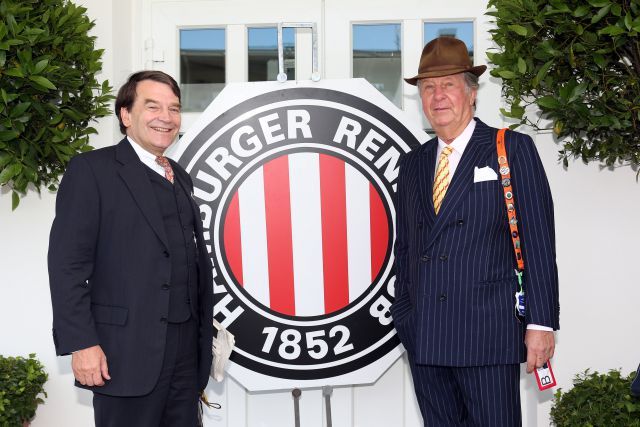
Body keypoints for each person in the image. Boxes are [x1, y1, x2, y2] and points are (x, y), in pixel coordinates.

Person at [391, 37, 559, 426]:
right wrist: (406, 315)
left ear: (471, 92)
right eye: (428, 88)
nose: (437, 96)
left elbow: (538, 243)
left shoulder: (511, 149)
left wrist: (540, 323)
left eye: (448, 84)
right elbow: (406, 249)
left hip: (486, 334)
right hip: (425, 335)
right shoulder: (412, 164)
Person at [48, 70, 214, 426]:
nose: (165, 117)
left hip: (186, 352)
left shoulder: (180, 175)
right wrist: (82, 344)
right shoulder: (91, 171)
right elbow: (67, 266)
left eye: (173, 108)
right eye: (152, 106)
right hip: (122, 352)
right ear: (126, 115)